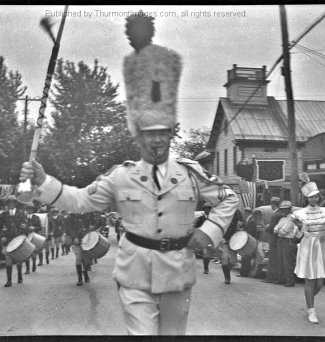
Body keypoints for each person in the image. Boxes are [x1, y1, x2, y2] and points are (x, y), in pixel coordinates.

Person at [18, 11, 238, 335]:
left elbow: (228, 198)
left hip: (178, 273)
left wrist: (211, 232)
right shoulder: (121, 176)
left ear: (171, 134)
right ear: (139, 137)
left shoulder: (190, 173)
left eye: (163, 132)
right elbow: (79, 200)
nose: (157, 139)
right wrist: (43, 181)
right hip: (134, 274)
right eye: (150, 133)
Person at [291, 173, 325, 324]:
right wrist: (299, 227)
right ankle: (312, 311)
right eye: (311, 197)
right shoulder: (299, 213)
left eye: (316, 196)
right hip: (307, 246)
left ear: (319, 197)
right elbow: (296, 233)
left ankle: (309, 302)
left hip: (321, 246)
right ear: (307, 198)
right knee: (310, 280)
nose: (314, 199)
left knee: (320, 282)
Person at [0, 195, 28, 287]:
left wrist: (24, 227)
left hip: (18, 239)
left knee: (18, 259)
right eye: (9, 203)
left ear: (15, 204)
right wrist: (2, 236)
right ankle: (9, 280)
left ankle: (19, 275)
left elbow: (26, 224)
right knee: (8, 259)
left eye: (13, 203)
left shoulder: (21, 213)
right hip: (7, 239)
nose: (11, 204)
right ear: (7, 204)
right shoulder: (3, 215)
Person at [273, 201, 299, 287]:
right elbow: (275, 229)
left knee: (287, 261)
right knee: (280, 260)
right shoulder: (282, 219)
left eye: (286, 209)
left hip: (288, 241)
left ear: (290, 209)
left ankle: (290, 281)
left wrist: (279, 230)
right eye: (283, 209)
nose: (284, 211)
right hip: (282, 240)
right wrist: (279, 230)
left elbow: (283, 231)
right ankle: (281, 279)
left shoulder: (291, 220)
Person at [263, 197, 284, 284]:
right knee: (278, 259)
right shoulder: (281, 213)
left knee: (272, 260)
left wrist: (266, 227)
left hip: (274, 239)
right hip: (280, 239)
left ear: (272, 204)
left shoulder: (276, 215)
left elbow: (271, 228)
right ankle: (277, 278)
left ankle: (270, 278)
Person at [218, 209, 241, 284]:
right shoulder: (224, 220)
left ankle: (227, 270)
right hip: (225, 241)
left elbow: (240, 226)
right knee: (224, 259)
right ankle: (227, 278)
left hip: (233, 243)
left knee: (234, 261)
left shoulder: (237, 221)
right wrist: (221, 238)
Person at [236, 207, 256, 278]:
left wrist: (244, 234)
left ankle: (244, 273)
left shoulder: (252, 220)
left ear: (247, 213)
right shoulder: (248, 220)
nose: (243, 214)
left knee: (246, 258)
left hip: (249, 241)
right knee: (244, 257)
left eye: (244, 213)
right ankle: (243, 273)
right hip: (246, 240)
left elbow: (251, 232)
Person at [23, 204, 42, 274]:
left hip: (34, 236)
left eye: (30, 209)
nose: (29, 211)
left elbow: (40, 227)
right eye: (27, 209)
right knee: (26, 253)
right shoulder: (23, 217)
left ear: (32, 210)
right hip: (25, 236)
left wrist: (34, 228)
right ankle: (27, 269)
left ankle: (34, 263)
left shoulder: (36, 217)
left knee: (33, 252)